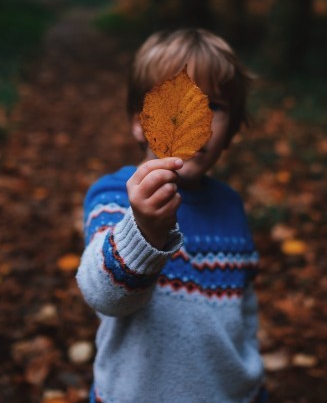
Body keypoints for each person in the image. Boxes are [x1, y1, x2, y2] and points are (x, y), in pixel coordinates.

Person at [76, 29, 266, 402]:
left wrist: (252, 382)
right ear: (139, 121)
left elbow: (244, 314)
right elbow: (105, 295)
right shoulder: (116, 197)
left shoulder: (230, 206)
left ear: (231, 131)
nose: (197, 119)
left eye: (215, 106)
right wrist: (144, 230)